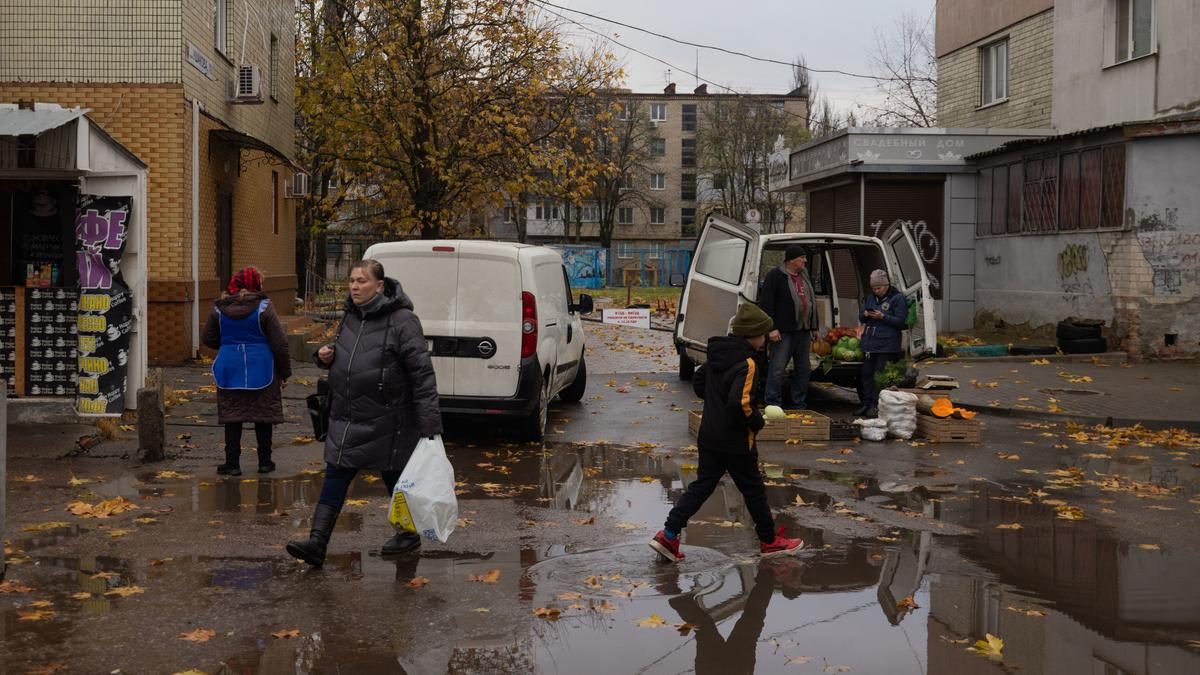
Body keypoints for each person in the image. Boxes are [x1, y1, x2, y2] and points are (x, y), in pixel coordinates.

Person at [287, 259, 442, 567]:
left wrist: (429, 425)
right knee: (336, 472)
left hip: (389, 416)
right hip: (347, 412)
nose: (355, 287)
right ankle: (317, 543)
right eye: (352, 281)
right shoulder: (350, 316)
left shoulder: (402, 321)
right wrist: (324, 356)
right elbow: (349, 352)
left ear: (380, 286)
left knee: (395, 478)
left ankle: (408, 534)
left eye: (362, 281)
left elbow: (422, 374)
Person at [650, 303, 804, 563]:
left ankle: (669, 533)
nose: (765, 339)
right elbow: (740, 403)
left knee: (702, 486)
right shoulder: (748, 362)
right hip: (735, 440)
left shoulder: (718, 354)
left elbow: (700, 382)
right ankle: (769, 541)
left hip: (709, 434)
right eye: (763, 334)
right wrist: (756, 421)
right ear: (752, 335)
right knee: (753, 490)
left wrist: (714, 399)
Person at [202, 267, 291, 476]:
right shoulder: (264, 307)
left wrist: (227, 346)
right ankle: (265, 462)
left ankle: (232, 463)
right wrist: (284, 372)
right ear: (256, 284)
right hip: (261, 365)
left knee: (233, 414)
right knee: (263, 414)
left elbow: (208, 338)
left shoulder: (219, 308)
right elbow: (279, 343)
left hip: (229, 365)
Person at [757, 245, 818, 409]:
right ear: (792, 260)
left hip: (803, 330)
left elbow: (811, 302)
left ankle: (799, 402)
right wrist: (771, 328)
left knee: (803, 369)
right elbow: (766, 304)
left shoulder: (804, 276)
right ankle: (773, 402)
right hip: (783, 331)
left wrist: (814, 326)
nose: (805, 260)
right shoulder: (775, 276)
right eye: (802, 258)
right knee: (777, 368)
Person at [857, 269, 907, 418]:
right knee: (866, 375)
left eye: (878, 288)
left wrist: (883, 317)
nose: (876, 291)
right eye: (873, 288)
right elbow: (861, 316)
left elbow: (900, 322)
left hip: (887, 344)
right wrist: (865, 314)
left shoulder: (897, 298)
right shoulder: (871, 298)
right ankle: (866, 403)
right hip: (870, 343)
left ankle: (875, 405)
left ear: (886, 285)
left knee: (879, 376)